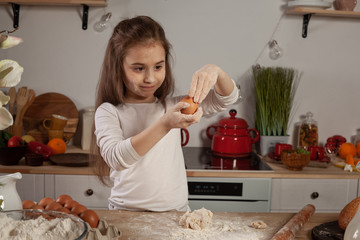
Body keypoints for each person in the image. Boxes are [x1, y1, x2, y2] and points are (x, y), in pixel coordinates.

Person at [91, 15, 239, 212]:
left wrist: (216, 71)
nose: (150, 78)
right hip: (126, 215)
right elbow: (116, 158)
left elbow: (227, 98)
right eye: (138, 68)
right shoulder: (109, 112)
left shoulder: (174, 105)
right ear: (118, 68)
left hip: (175, 214)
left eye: (158, 67)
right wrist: (165, 124)